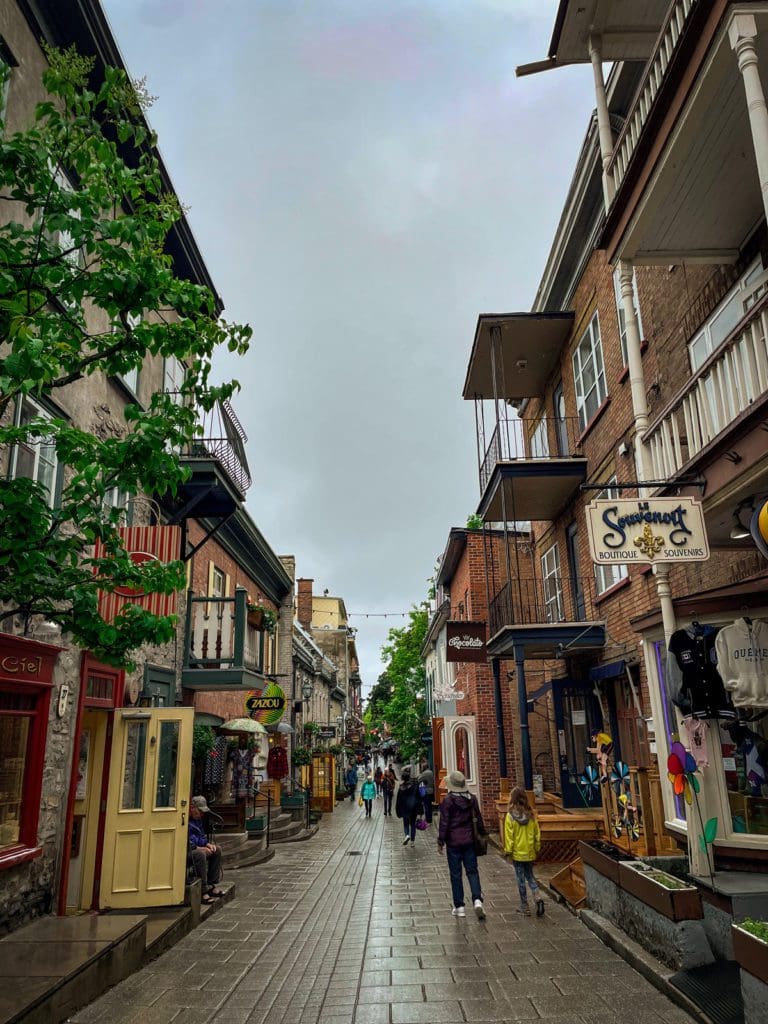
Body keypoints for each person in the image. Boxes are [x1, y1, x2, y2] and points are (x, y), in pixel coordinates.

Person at [437, 770, 486, 919]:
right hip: (469, 841)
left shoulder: (448, 801)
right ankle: (477, 900)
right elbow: (478, 818)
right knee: (472, 871)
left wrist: (441, 840)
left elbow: (444, 822)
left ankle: (459, 907)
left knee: (456, 874)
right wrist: (482, 834)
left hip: (453, 842)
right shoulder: (472, 799)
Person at [504, 787, 544, 917]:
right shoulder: (531, 815)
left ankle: (524, 906)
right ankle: (537, 896)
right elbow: (537, 834)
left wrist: (508, 851)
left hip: (517, 853)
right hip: (529, 852)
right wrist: (536, 848)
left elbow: (509, 836)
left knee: (520, 879)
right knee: (530, 876)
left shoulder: (510, 816)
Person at [188, 795, 223, 904]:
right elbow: (187, 840)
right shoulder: (186, 819)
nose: (202, 814)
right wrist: (199, 847)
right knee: (200, 855)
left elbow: (200, 836)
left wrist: (207, 844)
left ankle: (211, 884)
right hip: (187, 850)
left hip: (196, 846)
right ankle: (203, 890)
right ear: (192, 808)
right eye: (200, 811)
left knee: (217, 850)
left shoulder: (197, 820)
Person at [395, 768, 422, 846]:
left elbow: (398, 800)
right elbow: (418, 797)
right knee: (413, 824)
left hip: (404, 809)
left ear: (403, 778)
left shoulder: (401, 788)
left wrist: (398, 810)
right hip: (413, 808)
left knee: (406, 823)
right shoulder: (414, 786)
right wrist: (420, 809)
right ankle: (412, 842)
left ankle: (407, 835)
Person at [416, 760, 435, 825]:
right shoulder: (431, 772)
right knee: (429, 806)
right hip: (432, 790)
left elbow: (418, 779)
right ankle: (430, 819)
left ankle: (428, 820)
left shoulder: (425, 773)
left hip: (426, 791)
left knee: (426, 806)